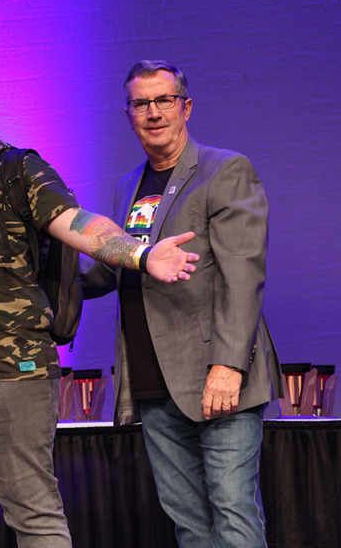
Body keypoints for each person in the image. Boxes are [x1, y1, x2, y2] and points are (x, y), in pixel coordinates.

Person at [0, 59, 201, 547]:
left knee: (32, 514)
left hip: (8, 375)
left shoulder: (17, 167)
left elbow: (79, 224)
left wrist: (141, 254)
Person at [83, 60, 284, 547]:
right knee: (189, 525)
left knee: (233, 513)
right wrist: (37, 274)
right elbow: (115, 267)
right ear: (128, 114)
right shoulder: (126, 187)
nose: (153, 112)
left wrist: (228, 366)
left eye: (164, 100)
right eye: (141, 103)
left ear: (186, 107)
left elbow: (243, 274)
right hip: (153, 382)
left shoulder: (224, 169)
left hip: (217, 378)